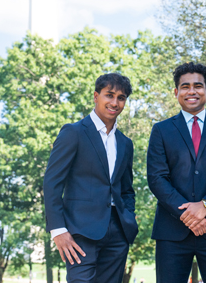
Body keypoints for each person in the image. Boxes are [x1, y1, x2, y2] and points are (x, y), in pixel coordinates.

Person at [147, 62, 206, 283]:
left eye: (198, 86)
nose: (192, 91)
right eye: (185, 86)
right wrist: (188, 215)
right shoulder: (161, 130)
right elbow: (156, 178)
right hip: (171, 231)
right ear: (176, 92)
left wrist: (205, 205)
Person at [43, 73, 138, 283]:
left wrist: (128, 217)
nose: (114, 102)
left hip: (118, 232)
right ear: (96, 96)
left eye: (121, 98)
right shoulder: (73, 132)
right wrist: (58, 230)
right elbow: (52, 183)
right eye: (109, 95)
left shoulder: (125, 143)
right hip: (80, 232)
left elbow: (126, 189)